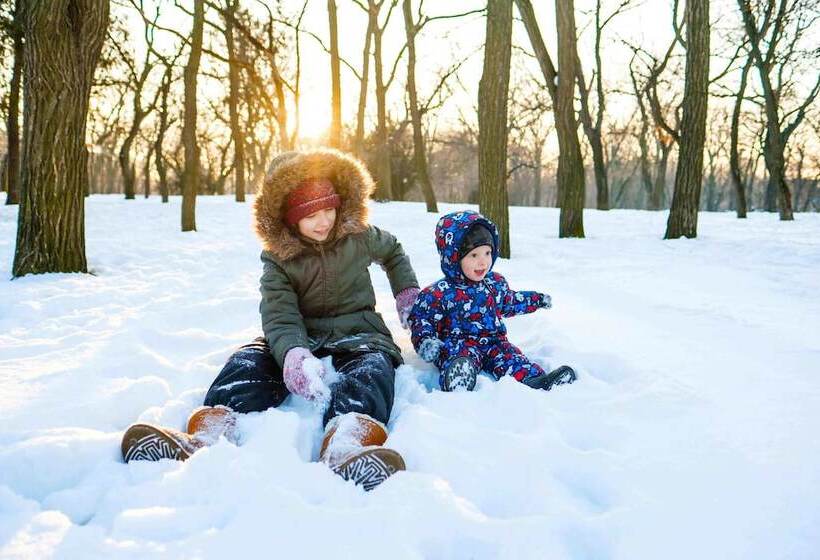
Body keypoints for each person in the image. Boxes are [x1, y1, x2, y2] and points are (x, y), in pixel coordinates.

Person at [121, 149, 420, 491]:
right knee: (248, 360)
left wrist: (406, 292)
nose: (323, 221)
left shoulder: (358, 236)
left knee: (372, 370)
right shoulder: (279, 259)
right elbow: (279, 314)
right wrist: (292, 353)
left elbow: (393, 252)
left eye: (328, 210)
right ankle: (207, 433)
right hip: (302, 335)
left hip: (359, 332)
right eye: (311, 215)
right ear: (291, 219)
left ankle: (347, 443)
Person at [408, 210, 577, 392]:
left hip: (495, 342)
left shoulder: (494, 283)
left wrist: (536, 300)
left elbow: (510, 301)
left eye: (487, 253)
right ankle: (459, 376)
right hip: (459, 343)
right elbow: (421, 319)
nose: (483, 262)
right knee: (456, 355)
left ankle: (536, 380)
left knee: (511, 357)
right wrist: (426, 341)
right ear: (454, 257)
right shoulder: (439, 293)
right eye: (474, 255)